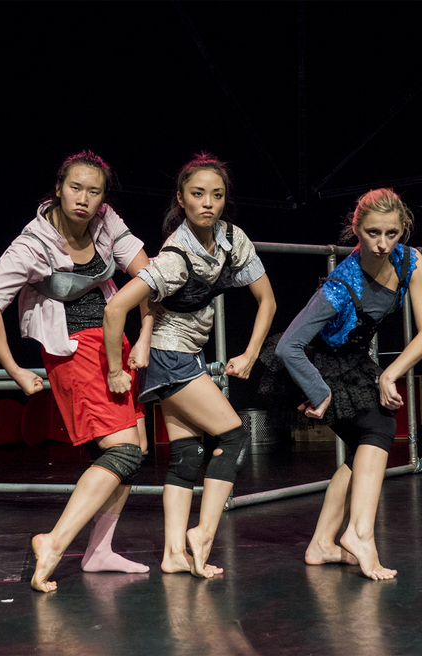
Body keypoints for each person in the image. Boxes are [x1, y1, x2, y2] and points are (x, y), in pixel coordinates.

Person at [0, 151, 154, 592]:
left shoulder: (105, 221)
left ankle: (100, 550)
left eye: (94, 192)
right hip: (75, 351)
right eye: (76, 188)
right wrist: (15, 369)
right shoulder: (32, 244)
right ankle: (54, 541)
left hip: (115, 346)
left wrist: (145, 334)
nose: (84, 199)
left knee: (135, 450)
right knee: (124, 452)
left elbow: (149, 277)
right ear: (58, 188)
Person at [104, 152, 276, 578]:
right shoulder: (174, 257)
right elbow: (116, 307)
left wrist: (251, 353)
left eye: (217, 195)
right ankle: (203, 534)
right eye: (198, 194)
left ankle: (173, 554)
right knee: (233, 435)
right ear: (180, 199)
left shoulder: (232, 239)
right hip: (170, 356)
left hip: (187, 354)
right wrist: (116, 368)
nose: (208, 203)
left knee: (186, 454)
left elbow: (267, 300)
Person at [276, 188, 422, 580]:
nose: (382, 244)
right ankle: (360, 534)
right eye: (372, 233)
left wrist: (390, 373)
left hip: (356, 361)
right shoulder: (340, 286)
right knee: (378, 428)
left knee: (363, 452)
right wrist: (319, 393)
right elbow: (288, 346)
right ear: (356, 228)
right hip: (316, 364)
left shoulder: (410, 260)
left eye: (392, 233)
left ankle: (322, 543)